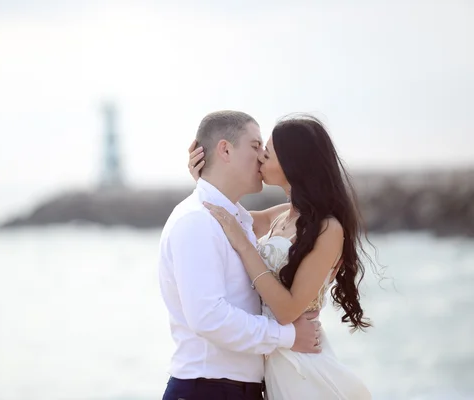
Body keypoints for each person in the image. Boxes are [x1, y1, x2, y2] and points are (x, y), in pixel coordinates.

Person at [188, 113, 373, 399]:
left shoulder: (328, 228)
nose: (260, 157)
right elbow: (224, 216)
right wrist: (206, 177)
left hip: (301, 364)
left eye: (268, 152)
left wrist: (246, 247)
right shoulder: (280, 216)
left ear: (292, 163)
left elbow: (288, 311)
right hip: (274, 359)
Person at [158, 111, 323, 400]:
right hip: (207, 389)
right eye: (255, 146)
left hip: (238, 389)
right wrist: (289, 336)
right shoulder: (196, 220)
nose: (262, 157)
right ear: (225, 149)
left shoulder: (238, 220)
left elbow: (308, 212)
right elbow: (209, 317)